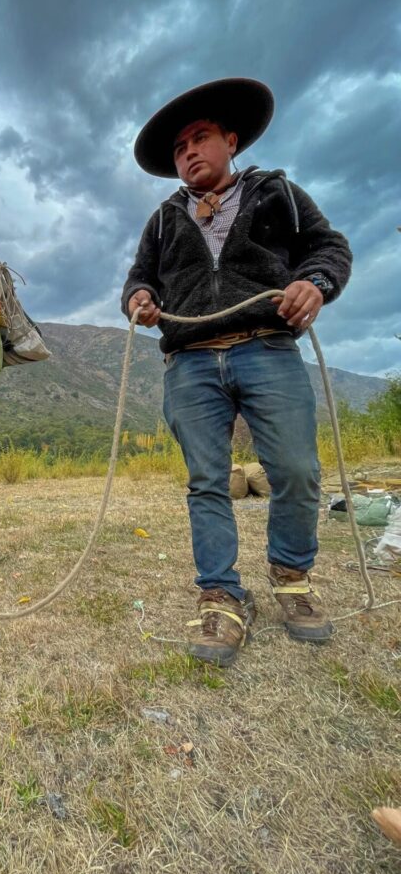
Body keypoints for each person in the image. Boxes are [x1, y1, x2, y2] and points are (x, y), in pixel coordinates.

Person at [121, 78, 352, 667]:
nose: (189, 152)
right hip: (190, 360)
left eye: (200, 138)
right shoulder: (164, 218)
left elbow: (330, 248)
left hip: (267, 346)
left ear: (231, 140)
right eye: (179, 148)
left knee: (296, 470)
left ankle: (293, 579)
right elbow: (138, 276)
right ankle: (221, 594)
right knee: (207, 480)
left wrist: (315, 283)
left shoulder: (278, 193)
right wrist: (140, 298)